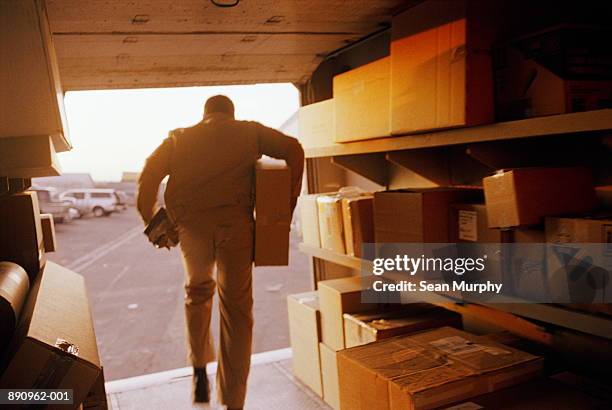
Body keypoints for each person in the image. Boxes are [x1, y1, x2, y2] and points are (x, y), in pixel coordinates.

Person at [137, 95, 304, 409]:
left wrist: (156, 226)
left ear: (205, 114)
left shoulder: (179, 138)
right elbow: (294, 148)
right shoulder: (250, 131)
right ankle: (233, 400)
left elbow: (147, 181)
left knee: (197, 291)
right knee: (237, 311)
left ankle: (199, 372)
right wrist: (284, 205)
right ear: (230, 113)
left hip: (192, 231)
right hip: (235, 228)